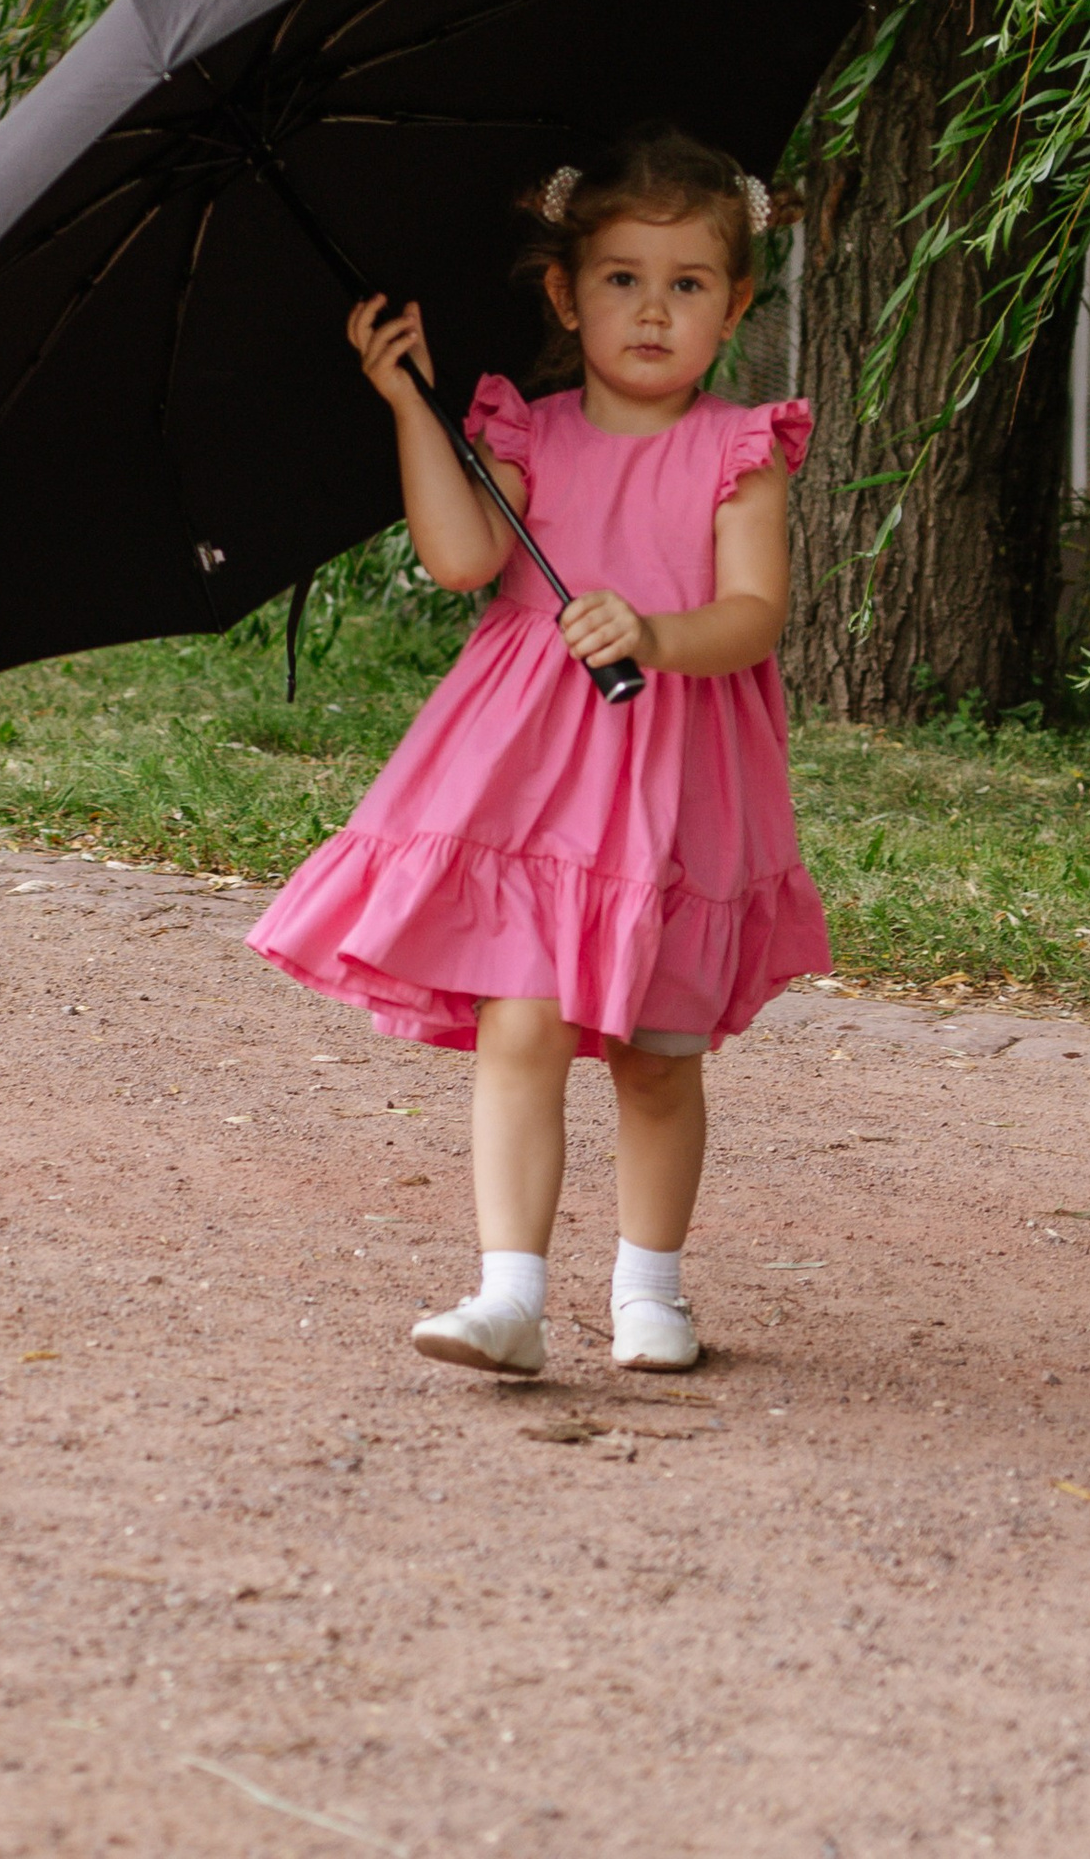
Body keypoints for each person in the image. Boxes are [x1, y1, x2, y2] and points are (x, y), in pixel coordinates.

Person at [248, 126, 829, 1375]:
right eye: (622, 277)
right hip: (530, 772)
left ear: (733, 305)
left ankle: (648, 1290)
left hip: (674, 767)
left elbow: (753, 616)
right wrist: (407, 402)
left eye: (686, 285)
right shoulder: (528, 432)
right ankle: (506, 1291)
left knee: (657, 1055)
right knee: (523, 1022)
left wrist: (656, 629)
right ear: (566, 294)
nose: (653, 310)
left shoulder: (738, 451)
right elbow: (460, 559)